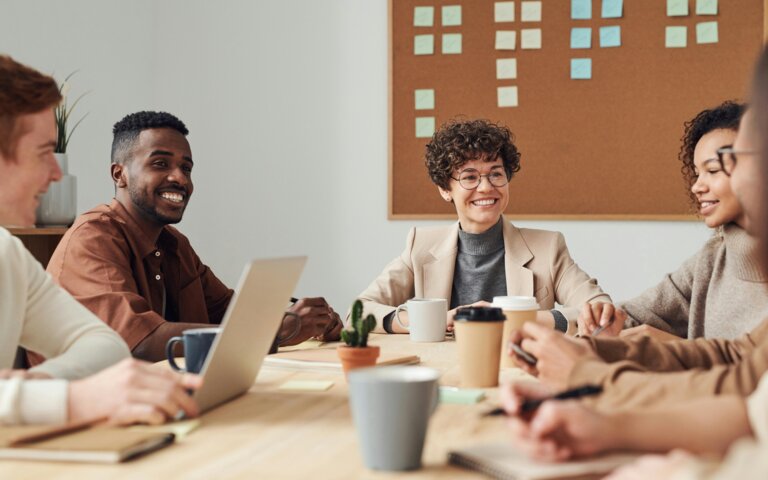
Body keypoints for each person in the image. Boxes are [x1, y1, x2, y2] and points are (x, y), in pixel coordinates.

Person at [503, 48, 768, 477]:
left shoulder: (549, 243)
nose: (703, 185)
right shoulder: (714, 255)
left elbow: (741, 387)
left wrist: (588, 373)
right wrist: (595, 351)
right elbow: (737, 359)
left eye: (730, 163)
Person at [39, 111, 342, 363]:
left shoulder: (174, 243)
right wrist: (277, 329)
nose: (180, 178)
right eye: (160, 164)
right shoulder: (93, 237)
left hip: (159, 397)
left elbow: (227, 312)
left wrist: (304, 317)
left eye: (186, 168)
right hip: (85, 416)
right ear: (120, 174)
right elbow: (140, 342)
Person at [0, 54, 200, 425]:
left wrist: (32, 390)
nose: (56, 175)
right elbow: (131, 344)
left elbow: (106, 348)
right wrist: (68, 399)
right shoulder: (92, 234)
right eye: (45, 152)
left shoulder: (8, 254)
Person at [357, 119, 611, 334]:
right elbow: (360, 311)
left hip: (518, 369)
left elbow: (599, 309)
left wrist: (511, 317)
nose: (486, 187)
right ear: (446, 190)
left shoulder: (548, 247)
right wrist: (435, 320)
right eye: (469, 177)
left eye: (496, 174)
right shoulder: (420, 245)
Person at [578, 101, 768, 341]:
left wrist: (671, 346)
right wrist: (605, 319)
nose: (697, 186)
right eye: (697, 173)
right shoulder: (712, 258)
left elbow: (748, 372)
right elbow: (635, 315)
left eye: (712, 171)